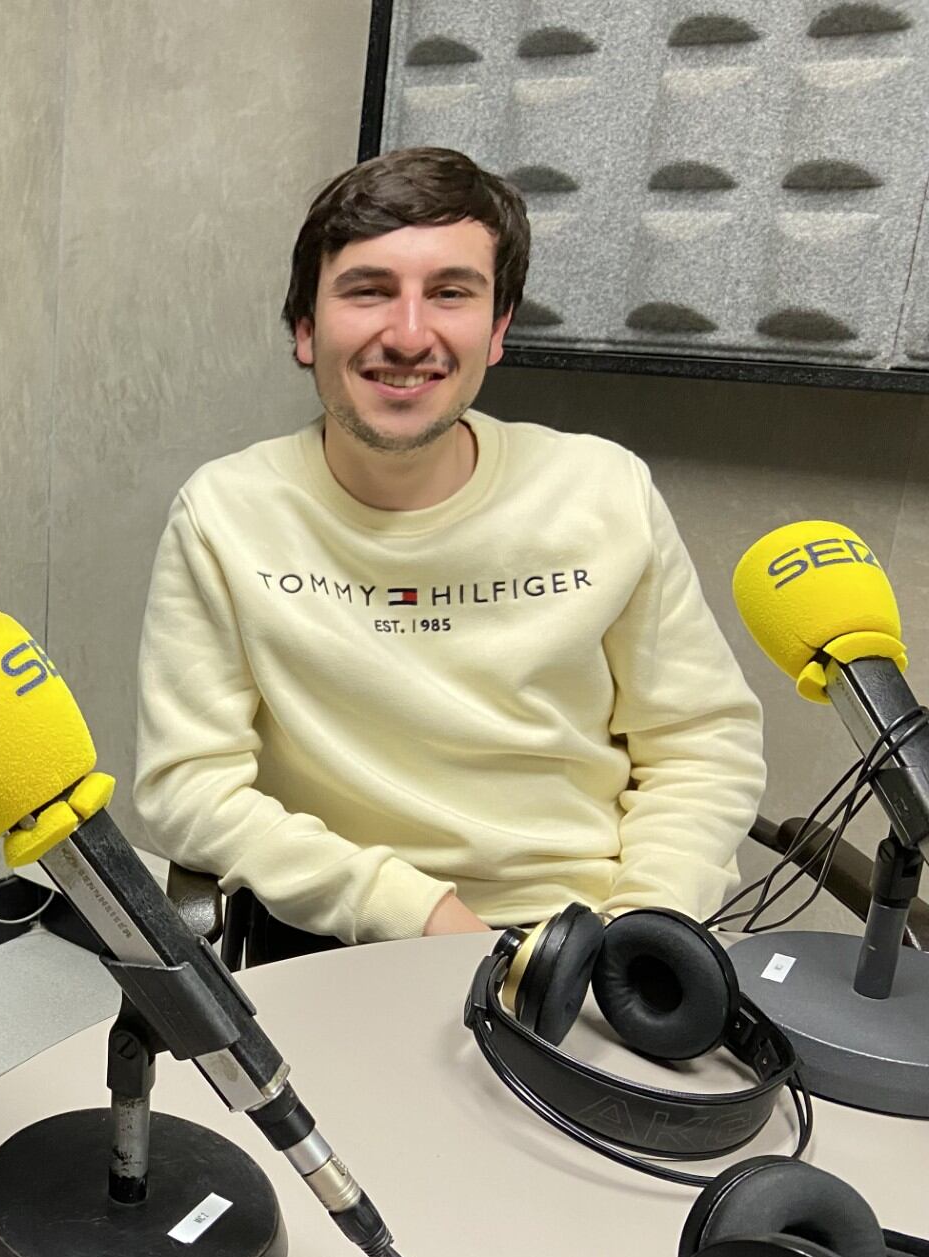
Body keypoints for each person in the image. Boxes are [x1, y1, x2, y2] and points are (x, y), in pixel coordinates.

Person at [133, 147, 765, 949]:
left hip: (590, 930)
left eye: (450, 294)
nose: (407, 334)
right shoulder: (225, 513)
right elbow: (188, 786)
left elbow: (700, 744)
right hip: (348, 931)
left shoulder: (605, 492)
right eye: (368, 291)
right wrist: (418, 914)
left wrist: (649, 918)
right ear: (304, 329)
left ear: (498, 330)